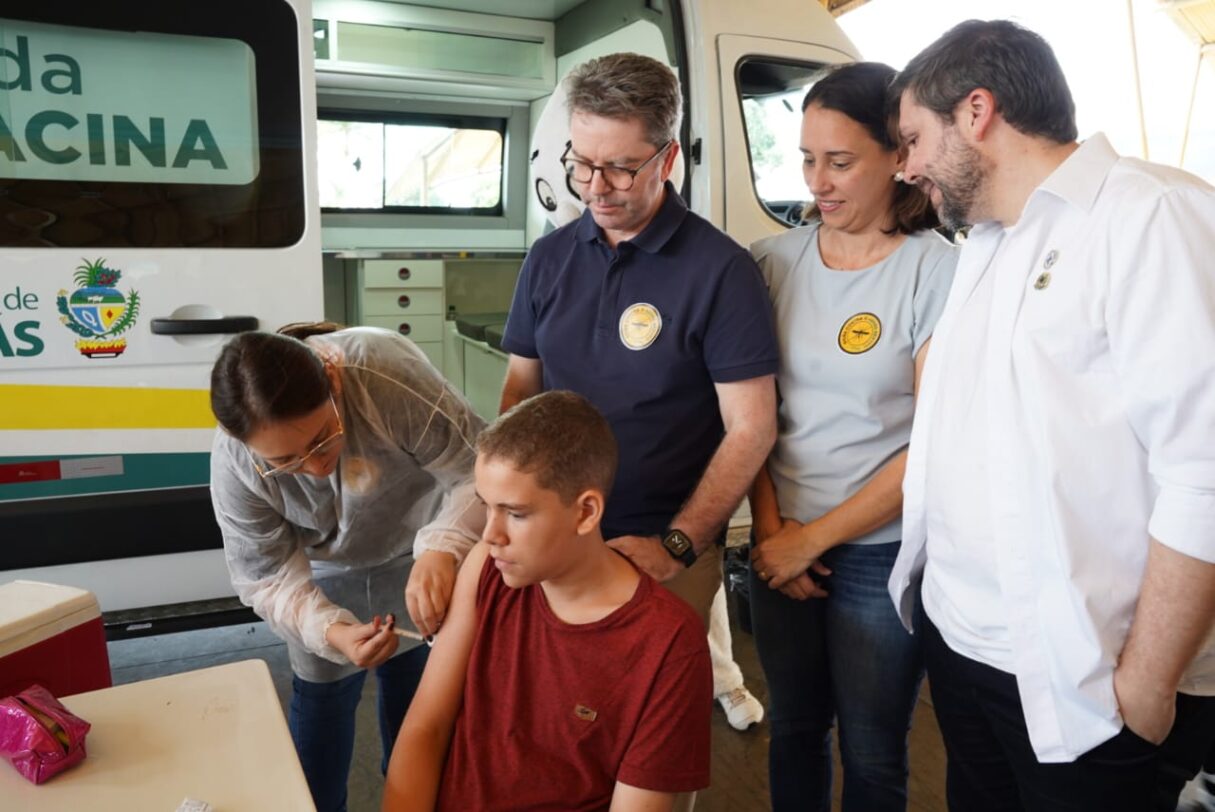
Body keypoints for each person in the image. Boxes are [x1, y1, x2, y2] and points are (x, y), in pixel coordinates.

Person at [889, 20, 1215, 811]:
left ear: (975, 112)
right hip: (963, 648)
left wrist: (1146, 679)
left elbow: (1202, 470)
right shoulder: (985, 241)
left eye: (911, 139)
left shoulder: (1149, 216)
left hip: (1085, 681)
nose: (905, 168)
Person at [498, 52, 779, 634]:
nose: (596, 188)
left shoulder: (720, 270)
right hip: (555, 538)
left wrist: (678, 544)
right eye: (582, 164)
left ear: (667, 158)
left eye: (622, 168)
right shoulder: (548, 258)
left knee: (652, 712)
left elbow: (751, 427)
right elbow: (520, 391)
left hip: (661, 548)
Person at [746, 62, 957, 812]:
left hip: (880, 553)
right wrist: (774, 536)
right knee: (795, 728)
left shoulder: (937, 273)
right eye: (806, 159)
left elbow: (932, 443)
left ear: (897, 158)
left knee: (873, 750)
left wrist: (814, 540)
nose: (818, 181)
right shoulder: (772, 264)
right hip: (778, 538)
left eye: (840, 161)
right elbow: (750, 419)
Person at [381, 390, 712, 812]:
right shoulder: (487, 567)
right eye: (487, 508)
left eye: (516, 514)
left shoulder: (667, 643)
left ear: (586, 512)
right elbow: (425, 727)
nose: (490, 534)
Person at [208, 323, 485, 812]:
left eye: (321, 439)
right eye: (286, 460)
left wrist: (445, 545)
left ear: (334, 382)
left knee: (416, 712)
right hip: (319, 576)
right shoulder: (235, 461)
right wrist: (329, 630)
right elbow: (266, 574)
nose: (314, 467)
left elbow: (477, 469)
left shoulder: (384, 376)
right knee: (321, 716)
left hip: (415, 548)